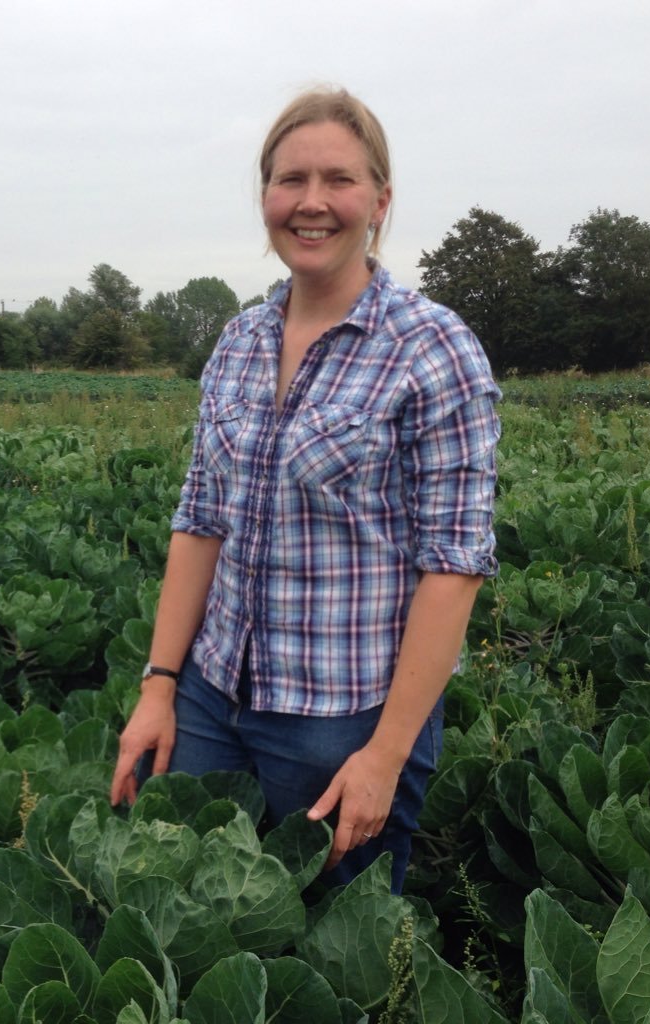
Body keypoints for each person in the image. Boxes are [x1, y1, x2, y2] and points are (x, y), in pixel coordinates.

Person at [109, 87, 500, 893]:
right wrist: (159, 686)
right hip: (212, 702)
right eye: (291, 181)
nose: (312, 202)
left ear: (380, 201)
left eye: (339, 180)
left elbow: (453, 567)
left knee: (329, 950)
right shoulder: (239, 341)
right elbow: (200, 520)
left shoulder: (432, 349)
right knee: (186, 921)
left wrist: (385, 756)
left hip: (341, 725)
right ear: (266, 198)